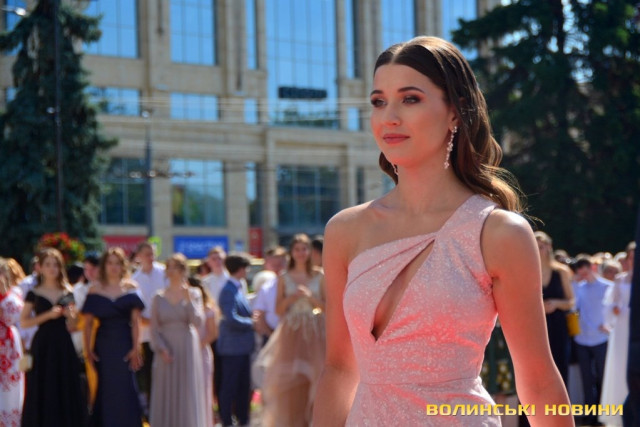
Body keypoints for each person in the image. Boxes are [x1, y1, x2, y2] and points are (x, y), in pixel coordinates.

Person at [312, 36, 572, 426]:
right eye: (378, 102)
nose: (389, 117)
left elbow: (537, 382)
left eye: (410, 99)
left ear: (455, 112)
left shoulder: (498, 233)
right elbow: (339, 369)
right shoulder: (345, 230)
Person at [255, 233, 326, 427]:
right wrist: (291, 298)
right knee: (289, 379)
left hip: (316, 332)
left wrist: (310, 297)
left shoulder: (320, 275)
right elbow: (278, 309)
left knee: (317, 376)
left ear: (309, 252)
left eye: (304, 249)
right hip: (292, 332)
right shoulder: (284, 278)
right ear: (292, 253)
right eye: (297, 249)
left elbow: (328, 306)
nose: (301, 253)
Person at [20, 248, 87, 426]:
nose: (52, 268)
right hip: (43, 344)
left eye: (55, 265)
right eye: (48, 264)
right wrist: (48, 315)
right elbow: (24, 322)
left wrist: (70, 316)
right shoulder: (34, 293)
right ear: (40, 267)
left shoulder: (68, 291)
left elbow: (74, 325)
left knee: (65, 383)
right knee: (43, 384)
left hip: (63, 344)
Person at [82, 248, 144, 427]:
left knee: (126, 386)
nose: (114, 267)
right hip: (104, 345)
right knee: (106, 386)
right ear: (104, 265)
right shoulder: (94, 289)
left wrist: (136, 347)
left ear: (123, 265)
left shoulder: (131, 287)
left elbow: (136, 322)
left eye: (117, 263)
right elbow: (87, 324)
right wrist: (88, 350)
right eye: (110, 263)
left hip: (125, 342)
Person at [149, 253, 206, 427]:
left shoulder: (194, 293)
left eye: (176, 267)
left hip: (187, 345)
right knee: (165, 388)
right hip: (166, 347)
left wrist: (188, 301)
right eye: (169, 267)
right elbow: (154, 328)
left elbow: (198, 321)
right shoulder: (158, 297)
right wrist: (161, 348)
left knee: (186, 388)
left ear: (183, 270)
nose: (172, 271)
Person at [573, 256, 612, 426]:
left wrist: (609, 325)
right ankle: (590, 415)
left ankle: (603, 415)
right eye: (580, 271)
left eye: (585, 271)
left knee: (603, 378)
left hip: (601, 338)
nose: (583, 275)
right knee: (586, 379)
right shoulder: (578, 287)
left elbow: (614, 308)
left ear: (592, 268)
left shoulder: (607, 286)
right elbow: (573, 307)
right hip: (582, 339)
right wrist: (574, 283)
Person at [216, 253, 255, 427]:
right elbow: (231, 318)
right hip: (232, 348)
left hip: (241, 348)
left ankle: (242, 419)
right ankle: (227, 420)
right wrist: (252, 323)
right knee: (230, 386)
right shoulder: (228, 290)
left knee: (242, 386)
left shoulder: (237, 288)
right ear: (241, 269)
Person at [599, 242, 634, 426]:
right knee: (620, 365)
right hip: (621, 329)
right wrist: (615, 309)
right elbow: (609, 305)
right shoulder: (620, 279)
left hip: (635, 327)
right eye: (631, 257)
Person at [535, 231, 575, 386]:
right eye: (535, 246)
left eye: (541, 246)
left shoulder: (561, 271)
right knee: (536, 369)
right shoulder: (527, 270)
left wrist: (556, 303)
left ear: (549, 247)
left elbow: (571, 301)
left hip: (558, 325)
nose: (539, 250)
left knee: (560, 367)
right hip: (536, 326)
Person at [131, 241, 166, 417]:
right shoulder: (134, 279)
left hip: (166, 332)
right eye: (146, 254)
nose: (150, 257)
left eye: (152, 253)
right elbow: (135, 310)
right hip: (145, 334)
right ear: (138, 257)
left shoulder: (164, 273)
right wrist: (147, 321)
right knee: (149, 376)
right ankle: (153, 413)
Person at [188, 275, 219, 427]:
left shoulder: (208, 309)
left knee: (203, 389)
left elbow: (212, 333)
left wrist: (196, 346)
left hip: (202, 353)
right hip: (186, 353)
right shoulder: (184, 307)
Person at [0, 258, 25, 426]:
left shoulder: (14, 295)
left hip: (8, 345)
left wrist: (4, 293)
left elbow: (14, 317)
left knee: (10, 388)